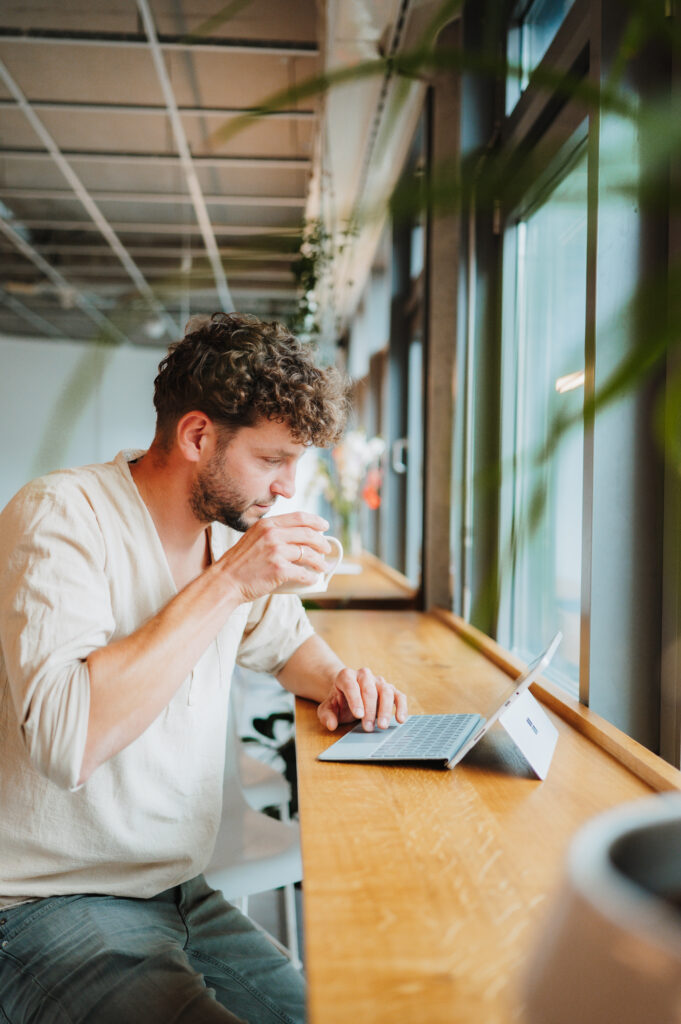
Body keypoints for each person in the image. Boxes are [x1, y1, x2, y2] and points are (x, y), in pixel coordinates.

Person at [0, 312, 408, 1024]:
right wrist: (229, 582)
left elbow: (287, 644)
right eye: (273, 459)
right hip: (47, 901)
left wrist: (342, 681)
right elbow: (69, 744)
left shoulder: (224, 532)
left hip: (181, 890)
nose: (286, 487)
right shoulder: (60, 514)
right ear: (197, 436)